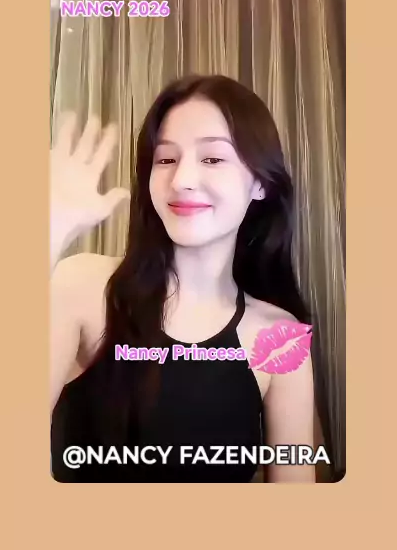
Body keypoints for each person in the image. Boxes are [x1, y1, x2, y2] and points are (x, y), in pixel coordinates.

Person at [50, 74, 316, 482]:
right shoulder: (84, 285)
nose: (181, 180)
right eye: (166, 159)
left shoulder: (282, 337)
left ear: (261, 183)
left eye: (213, 159)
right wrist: (50, 232)